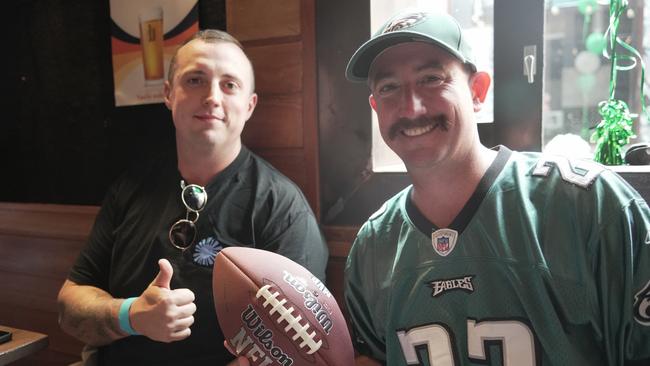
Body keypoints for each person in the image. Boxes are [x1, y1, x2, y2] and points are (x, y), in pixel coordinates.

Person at [344, 9, 650, 366]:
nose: (411, 107)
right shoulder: (373, 246)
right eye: (389, 87)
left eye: (431, 78)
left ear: (477, 91)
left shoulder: (589, 205)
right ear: (375, 106)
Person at [57, 29, 328, 366]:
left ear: (249, 105)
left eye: (229, 84)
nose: (212, 96)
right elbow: (70, 305)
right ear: (169, 94)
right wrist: (131, 315)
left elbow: (296, 346)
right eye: (195, 80)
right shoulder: (129, 189)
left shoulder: (282, 209)